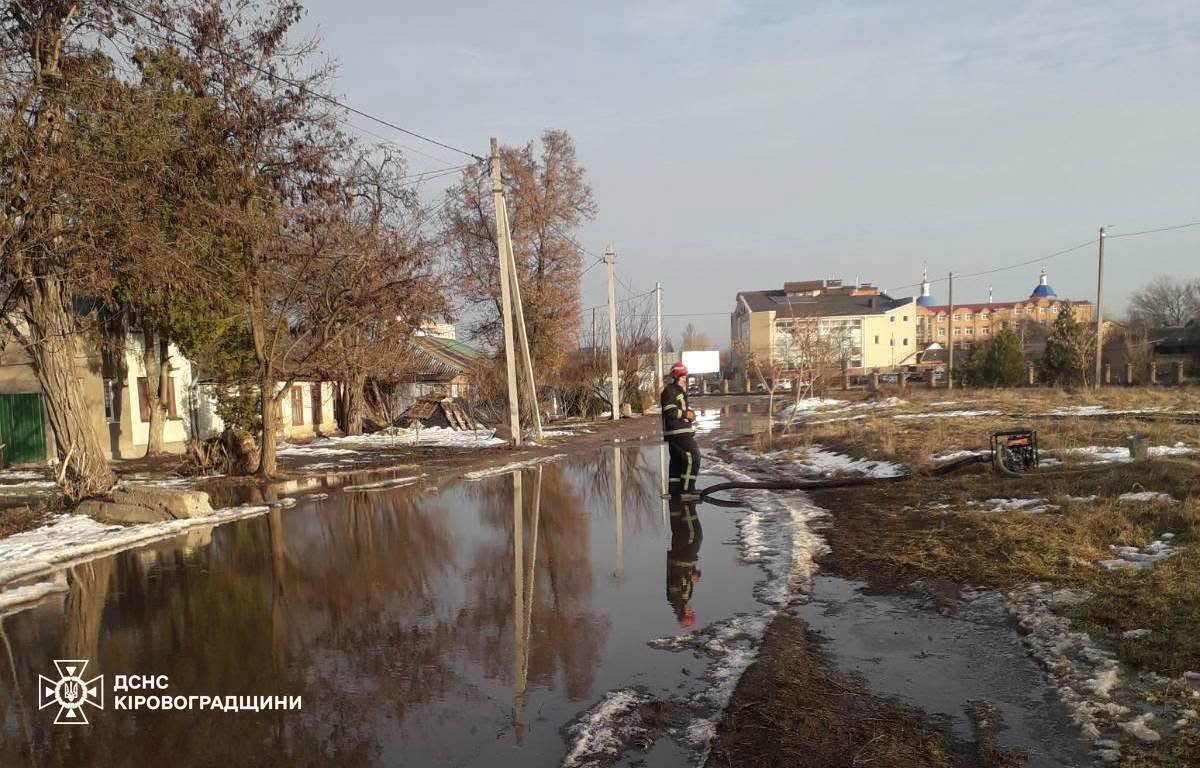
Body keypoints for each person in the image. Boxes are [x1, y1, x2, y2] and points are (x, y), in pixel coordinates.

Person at [661, 361, 702, 499]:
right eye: (684, 377)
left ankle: (675, 491)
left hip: (679, 431)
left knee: (677, 461)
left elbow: (680, 409)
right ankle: (686, 490)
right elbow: (670, 411)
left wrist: (690, 414)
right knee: (693, 457)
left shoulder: (679, 391)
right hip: (677, 431)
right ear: (678, 377)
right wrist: (686, 414)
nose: (686, 380)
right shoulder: (670, 391)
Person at [666, 497, 703, 627]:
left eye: (688, 613)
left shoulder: (674, 598)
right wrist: (696, 574)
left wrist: (690, 577)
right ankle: (682, 503)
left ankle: (687, 504)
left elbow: (677, 579)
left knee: (694, 536)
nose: (690, 610)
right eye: (691, 612)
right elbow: (687, 578)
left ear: (682, 613)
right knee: (690, 534)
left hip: (681, 558)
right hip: (686, 559)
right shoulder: (685, 599)